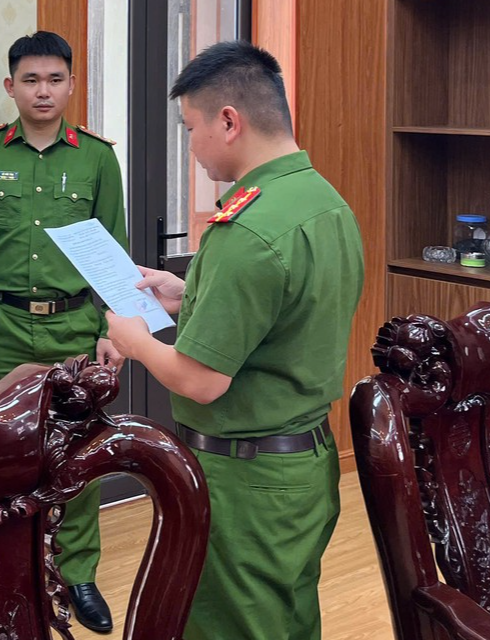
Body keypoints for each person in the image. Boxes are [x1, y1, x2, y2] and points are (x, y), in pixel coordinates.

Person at [104, 41, 364, 640]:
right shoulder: (323, 201)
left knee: (233, 626)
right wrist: (189, 290)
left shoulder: (247, 229)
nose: (191, 148)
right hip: (303, 463)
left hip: (244, 478)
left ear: (228, 121)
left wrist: (134, 338)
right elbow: (288, 309)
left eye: (189, 129)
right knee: (287, 619)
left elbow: (200, 380)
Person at [0, 30, 126, 633]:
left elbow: (114, 250)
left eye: (54, 79)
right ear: (10, 86)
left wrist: (114, 327)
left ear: (72, 85)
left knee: (77, 453)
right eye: (30, 80)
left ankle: (78, 572)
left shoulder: (97, 157)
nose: (42, 90)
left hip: (74, 327)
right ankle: (6, 565)